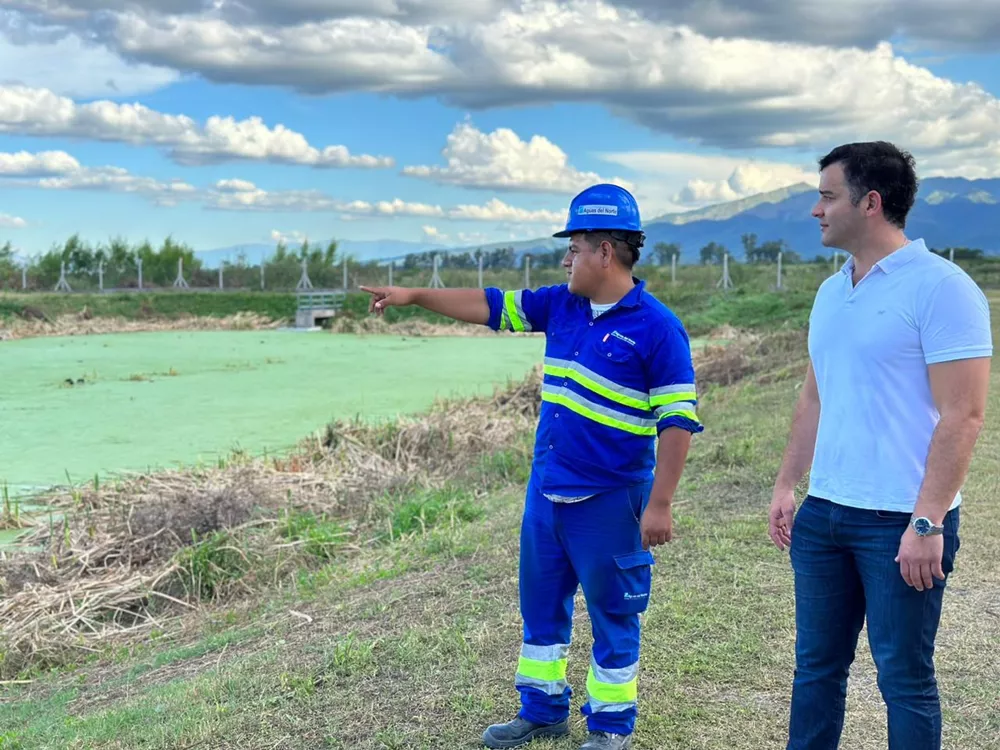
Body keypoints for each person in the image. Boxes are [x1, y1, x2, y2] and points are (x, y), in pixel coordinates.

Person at [362, 184, 703, 750]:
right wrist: (413, 295)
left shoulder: (658, 328)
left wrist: (661, 502)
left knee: (614, 615)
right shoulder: (560, 305)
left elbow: (677, 421)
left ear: (606, 253)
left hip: (611, 500)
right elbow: (490, 306)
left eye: (574, 247)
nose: (565, 260)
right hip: (546, 496)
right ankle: (542, 710)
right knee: (541, 610)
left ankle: (610, 727)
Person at [768, 141, 992, 750]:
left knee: (904, 680)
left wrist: (928, 521)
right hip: (825, 517)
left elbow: (964, 415)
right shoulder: (830, 292)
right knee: (815, 670)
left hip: (901, 520)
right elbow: (814, 398)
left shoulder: (943, 289)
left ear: (870, 203)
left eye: (826, 195)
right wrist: (790, 485)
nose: (816, 209)